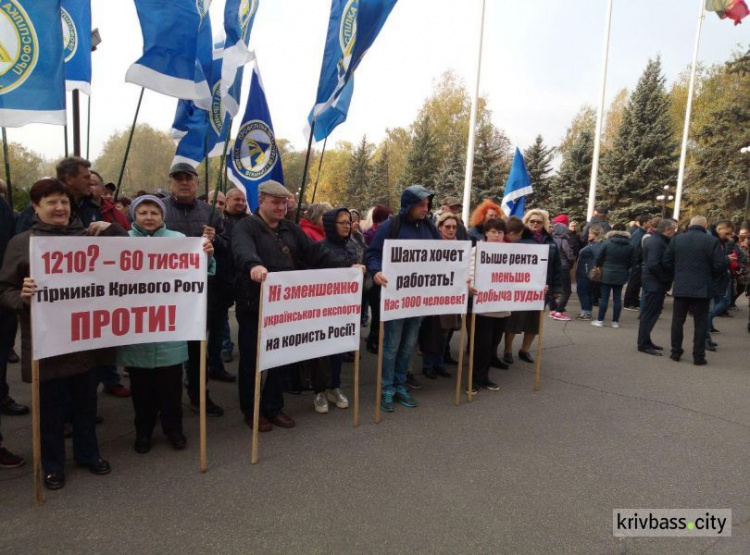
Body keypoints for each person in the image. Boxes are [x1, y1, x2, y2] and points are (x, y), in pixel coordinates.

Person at [0, 178, 126, 490]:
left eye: (64, 202)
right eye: (51, 202)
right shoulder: (23, 242)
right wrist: (23, 297)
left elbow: (131, 255)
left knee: (86, 404)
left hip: (87, 341)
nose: (59, 208)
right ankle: (52, 464)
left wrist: (108, 230)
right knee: (51, 411)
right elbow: (6, 288)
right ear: (35, 207)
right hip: (49, 344)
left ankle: (88, 453)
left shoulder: (88, 236)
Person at [232, 181, 355, 431]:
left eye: (284, 203)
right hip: (254, 304)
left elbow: (315, 253)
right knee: (252, 361)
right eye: (275, 202)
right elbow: (242, 251)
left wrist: (346, 266)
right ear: (261, 201)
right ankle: (251, 410)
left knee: (281, 357)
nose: (281, 207)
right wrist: (253, 265)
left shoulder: (291, 229)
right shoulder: (245, 227)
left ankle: (273, 406)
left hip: (286, 307)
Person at [118, 196, 215, 453]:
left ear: (162, 216)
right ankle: (144, 431)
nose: (149, 217)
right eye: (143, 212)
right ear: (133, 216)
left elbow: (198, 273)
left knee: (171, 389)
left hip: (171, 329)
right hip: (137, 330)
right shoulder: (122, 240)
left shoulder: (179, 240)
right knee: (141, 391)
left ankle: (174, 429)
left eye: (154, 212)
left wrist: (206, 255)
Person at [366, 184, 442, 411]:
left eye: (427, 204)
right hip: (395, 297)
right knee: (391, 345)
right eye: (421, 204)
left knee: (408, 345)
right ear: (409, 204)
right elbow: (372, 253)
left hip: (419, 298)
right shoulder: (392, 225)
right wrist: (376, 271)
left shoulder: (429, 227)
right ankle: (386, 388)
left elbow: (443, 256)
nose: (425, 209)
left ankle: (400, 384)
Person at [162, 163, 229, 417]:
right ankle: (166, 402)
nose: (184, 183)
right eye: (178, 179)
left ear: (197, 182)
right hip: (165, 290)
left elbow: (225, 244)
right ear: (171, 183)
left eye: (188, 178)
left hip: (200, 290)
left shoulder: (209, 211)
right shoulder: (162, 209)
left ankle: (199, 394)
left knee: (197, 345)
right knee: (168, 347)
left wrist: (215, 239)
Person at [312, 207, 363, 414]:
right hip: (323, 309)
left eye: (348, 222)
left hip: (345, 307)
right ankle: (319, 390)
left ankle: (335, 386)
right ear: (332, 225)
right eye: (342, 222)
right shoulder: (319, 247)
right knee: (320, 352)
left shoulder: (352, 246)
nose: (347, 226)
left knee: (339, 349)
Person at [663, 216, 727, 365]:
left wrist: (678, 273)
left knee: (678, 321)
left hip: (681, 286)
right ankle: (698, 356)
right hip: (703, 288)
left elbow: (666, 261)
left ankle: (675, 352)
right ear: (705, 226)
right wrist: (709, 276)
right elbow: (720, 265)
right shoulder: (712, 241)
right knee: (700, 323)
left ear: (690, 225)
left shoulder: (677, 239)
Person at [503, 210, 561, 364]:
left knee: (533, 322)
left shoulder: (550, 242)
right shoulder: (519, 239)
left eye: (539, 222)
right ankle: (507, 350)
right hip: (519, 287)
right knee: (513, 320)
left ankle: (525, 350)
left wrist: (556, 288)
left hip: (541, 288)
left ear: (544, 224)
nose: (535, 224)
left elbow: (556, 267)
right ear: (527, 222)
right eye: (532, 221)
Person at [418, 213, 463, 380]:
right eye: (447, 227)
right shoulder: (434, 246)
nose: (451, 230)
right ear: (440, 228)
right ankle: (428, 365)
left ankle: (439, 362)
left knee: (448, 331)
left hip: (452, 296)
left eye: (454, 227)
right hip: (435, 296)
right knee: (434, 332)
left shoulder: (460, 246)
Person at [470, 218, 510, 392]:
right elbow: (471, 271)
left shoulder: (509, 252)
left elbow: (521, 274)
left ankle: (485, 377)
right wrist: (470, 284)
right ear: (486, 232)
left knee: (493, 344)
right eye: (493, 231)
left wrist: (537, 286)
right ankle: (475, 379)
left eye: (500, 232)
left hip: (501, 306)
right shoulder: (476, 251)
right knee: (482, 345)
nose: (496, 235)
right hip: (483, 306)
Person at [637, 219, 676, 356]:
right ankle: (643, 343)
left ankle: (646, 340)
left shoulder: (656, 240)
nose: (675, 232)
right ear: (667, 229)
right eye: (673, 229)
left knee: (652, 313)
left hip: (653, 282)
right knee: (650, 314)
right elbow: (654, 264)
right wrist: (665, 278)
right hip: (654, 283)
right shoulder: (657, 242)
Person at [362, 205, 392, 353]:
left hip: (384, 276)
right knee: (377, 312)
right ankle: (373, 340)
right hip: (375, 276)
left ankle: (376, 338)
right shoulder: (371, 233)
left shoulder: (373, 232)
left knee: (381, 311)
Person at [592, 229, 635, 328]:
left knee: (604, 298)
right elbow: (633, 261)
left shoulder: (607, 243)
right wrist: (625, 268)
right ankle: (615, 321)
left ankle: (600, 320)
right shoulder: (630, 246)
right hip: (621, 273)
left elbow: (599, 257)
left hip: (606, 273)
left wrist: (599, 265)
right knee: (617, 298)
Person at [574, 225, 605, 321]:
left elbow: (597, 257)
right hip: (588, 271)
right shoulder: (594, 244)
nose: (588, 235)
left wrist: (594, 268)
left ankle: (586, 313)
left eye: (591, 233)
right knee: (589, 292)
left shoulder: (596, 245)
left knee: (583, 292)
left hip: (586, 272)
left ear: (596, 234)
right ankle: (587, 312)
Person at [549, 214, 576, 321]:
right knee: (567, 291)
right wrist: (571, 263)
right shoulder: (564, 240)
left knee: (551, 289)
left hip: (552, 267)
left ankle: (552, 309)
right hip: (563, 266)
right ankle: (559, 311)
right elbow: (569, 254)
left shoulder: (550, 240)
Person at [623, 214, 650, 311]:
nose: (650, 224)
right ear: (644, 223)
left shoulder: (641, 233)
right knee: (633, 283)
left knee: (636, 283)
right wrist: (635, 261)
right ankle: (629, 302)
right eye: (649, 222)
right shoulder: (638, 233)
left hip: (637, 262)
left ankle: (634, 301)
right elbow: (634, 248)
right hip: (636, 263)